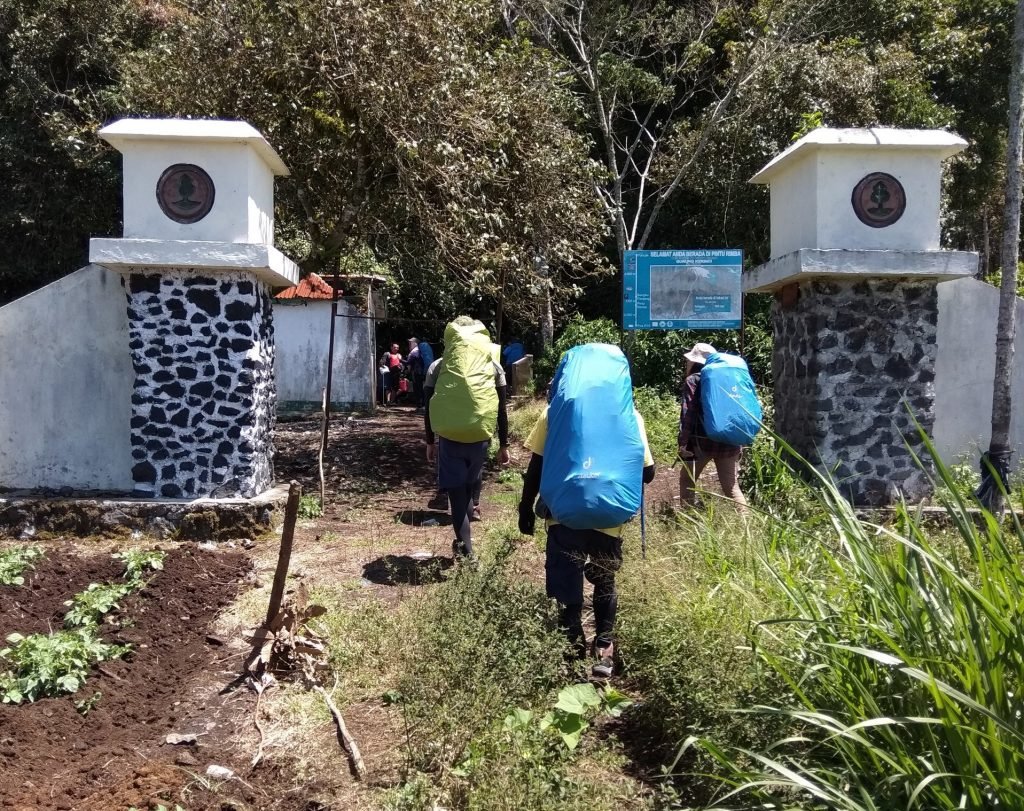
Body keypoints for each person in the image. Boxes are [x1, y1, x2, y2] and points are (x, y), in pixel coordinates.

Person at [517, 391, 655, 679]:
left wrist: (525, 507)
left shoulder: (554, 412)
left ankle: (573, 650)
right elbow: (648, 472)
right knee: (605, 580)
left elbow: (536, 467)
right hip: (608, 517)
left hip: (563, 516)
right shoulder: (630, 415)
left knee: (567, 583)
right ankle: (604, 648)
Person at [424, 318, 510, 559]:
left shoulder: (438, 366)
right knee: (469, 488)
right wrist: (504, 445)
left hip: (450, 439)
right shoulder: (493, 367)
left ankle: (467, 551)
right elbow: (501, 410)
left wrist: (430, 440)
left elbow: (428, 406)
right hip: (480, 439)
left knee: (457, 495)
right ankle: (463, 544)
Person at [678, 342, 748, 510]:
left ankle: (689, 520)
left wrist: (682, 442)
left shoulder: (693, 379)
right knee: (731, 487)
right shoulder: (728, 378)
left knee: (687, 480)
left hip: (701, 442)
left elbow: (688, 413)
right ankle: (747, 525)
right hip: (730, 440)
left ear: (694, 362)